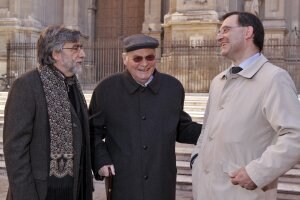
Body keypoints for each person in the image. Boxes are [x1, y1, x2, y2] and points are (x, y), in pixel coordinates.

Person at [191, 11, 300, 200]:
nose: (218, 37)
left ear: (248, 32)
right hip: (206, 191)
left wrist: (257, 173)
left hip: (243, 194)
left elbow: (295, 135)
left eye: (225, 30)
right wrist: (196, 158)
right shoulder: (218, 81)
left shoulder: (274, 78)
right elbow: (206, 131)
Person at [89, 34, 202, 200]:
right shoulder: (106, 89)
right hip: (123, 181)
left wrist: (213, 130)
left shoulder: (173, 87)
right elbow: (93, 132)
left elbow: (181, 127)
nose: (144, 64)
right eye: (137, 59)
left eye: (149, 57)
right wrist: (101, 160)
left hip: (161, 181)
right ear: (124, 59)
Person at [3, 25, 93, 200]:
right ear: (55, 54)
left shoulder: (73, 85)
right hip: (41, 193)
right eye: (75, 48)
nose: (82, 54)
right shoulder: (27, 86)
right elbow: (15, 150)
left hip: (74, 190)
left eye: (81, 48)